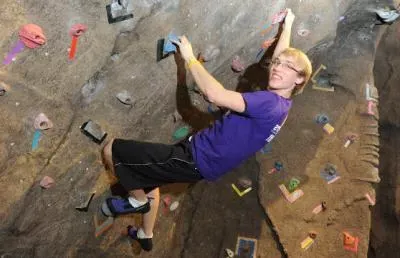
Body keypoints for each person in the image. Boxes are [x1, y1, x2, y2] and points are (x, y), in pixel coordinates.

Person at [101, 8, 312, 251]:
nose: (277, 68)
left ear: (299, 79)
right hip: (203, 162)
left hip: (195, 158)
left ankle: (136, 201)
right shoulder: (283, 104)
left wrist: (190, 58)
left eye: (287, 67)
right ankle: (145, 233)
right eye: (277, 63)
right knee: (151, 180)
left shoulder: (269, 103)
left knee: (112, 149)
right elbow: (284, 61)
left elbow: (215, 95)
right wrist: (287, 27)